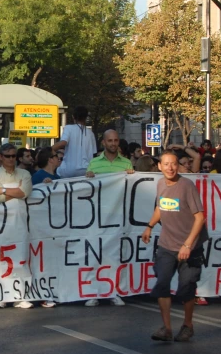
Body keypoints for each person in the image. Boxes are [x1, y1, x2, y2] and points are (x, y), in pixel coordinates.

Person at [141, 150, 208, 342]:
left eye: (174, 164)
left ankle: (187, 325)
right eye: (166, 164)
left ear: (178, 166)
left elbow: (200, 218)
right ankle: (167, 328)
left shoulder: (187, 186)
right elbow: (160, 207)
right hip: (167, 245)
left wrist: (187, 245)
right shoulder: (161, 184)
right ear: (160, 166)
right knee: (162, 283)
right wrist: (149, 226)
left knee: (186, 287)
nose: (170, 168)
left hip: (190, 247)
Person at [85, 129, 131, 307]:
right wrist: (89, 178)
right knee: (96, 254)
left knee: (114, 255)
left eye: (116, 140)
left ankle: (113, 291)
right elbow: (87, 189)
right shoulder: (94, 163)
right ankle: (93, 292)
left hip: (119, 216)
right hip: (98, 215)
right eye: (110, 141)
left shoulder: (126, 163)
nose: (113, 143)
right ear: (103, 143)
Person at [0, 143, 34, 308]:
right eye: (8, 156)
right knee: (2, 259)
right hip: (0, 223)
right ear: (0, 157)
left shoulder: (25, 173)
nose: (11, 159)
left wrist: (3, 190)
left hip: (20, 222)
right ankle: (3, 295)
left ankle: (21, 295)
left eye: (14, 156)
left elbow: (25, 193)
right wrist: (15, 191)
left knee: (21, 257)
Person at [53, 106, 97, 178]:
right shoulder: (91, 133)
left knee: (56, 171)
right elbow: (94, 153)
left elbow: (63, 143)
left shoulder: (68, 128)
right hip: (86, 170)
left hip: (69, 170)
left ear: (73, 116)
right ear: (86, 117)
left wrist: (49, 150)